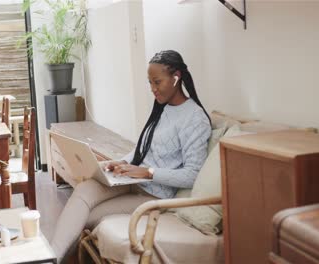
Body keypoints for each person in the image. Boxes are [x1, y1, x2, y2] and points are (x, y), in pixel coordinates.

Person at [51, 50, 212, 262]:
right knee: (83, 190)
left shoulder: (195, 118)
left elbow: (192, 175)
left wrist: (147, 173)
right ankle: (48, 258)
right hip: (131, 180)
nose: (153, 89)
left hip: (153, 195)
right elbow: (143, 148)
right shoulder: (163, 108)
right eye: (150, 83)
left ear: (176, 77)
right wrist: (123, 162)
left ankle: (54, 258)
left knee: (85, 217)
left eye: (157, 82)